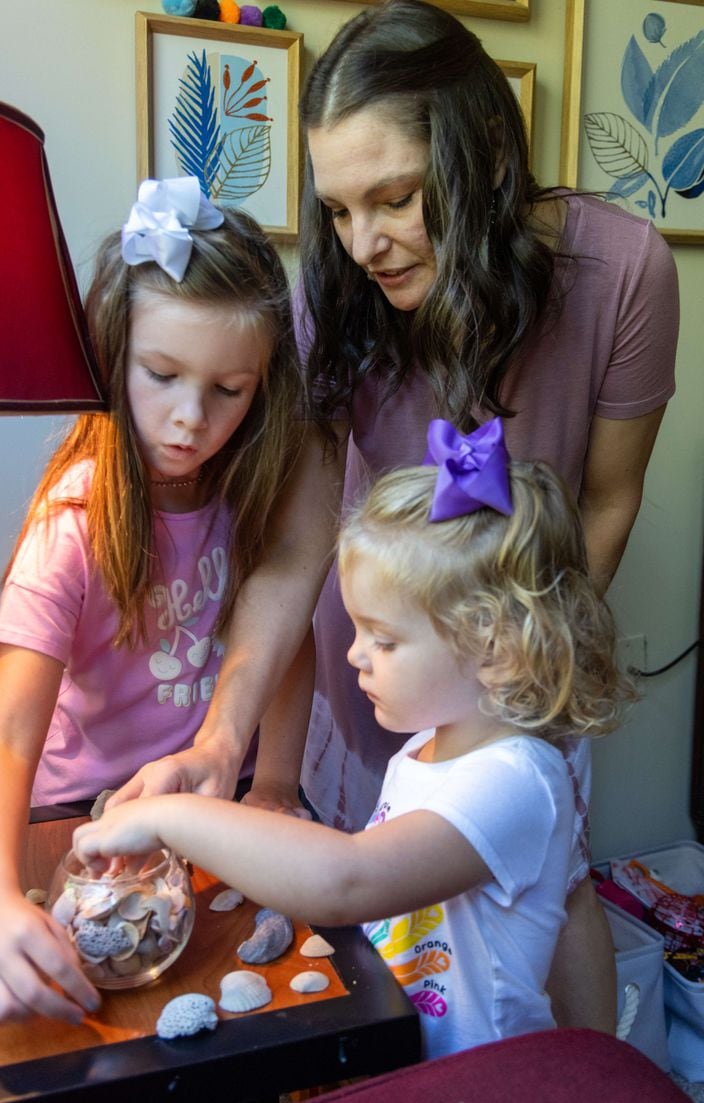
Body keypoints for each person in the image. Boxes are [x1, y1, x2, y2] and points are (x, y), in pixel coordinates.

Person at [104, 0, 680, 1031]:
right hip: (368, 669)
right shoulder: (334, 303)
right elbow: (292, 549)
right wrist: (227, 735)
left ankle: (598, 1102)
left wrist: (517, 677)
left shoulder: (627, 270)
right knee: (387, 951)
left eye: (395, 199)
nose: (361, 241)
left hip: (513, 672)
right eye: (335, 209)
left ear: (483, 153)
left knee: (552, 893)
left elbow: (604, 498)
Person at [73, 420, 636, 1059]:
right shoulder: (429, 748)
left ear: (497, 649)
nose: (354, 655)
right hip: (406, 1053)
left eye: (385, 639)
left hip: (478, 1086)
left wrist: (171, 818)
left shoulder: (516, 780)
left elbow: (351, 880)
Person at [0, 176, 305, 1026]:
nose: (192, 419)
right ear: (115, 356)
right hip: (79, 820)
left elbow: (290, 652)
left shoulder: (256, 499)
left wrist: (278, 785)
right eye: (162, 375)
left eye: (230, 390)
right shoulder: (71, 524)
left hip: (219, 802)